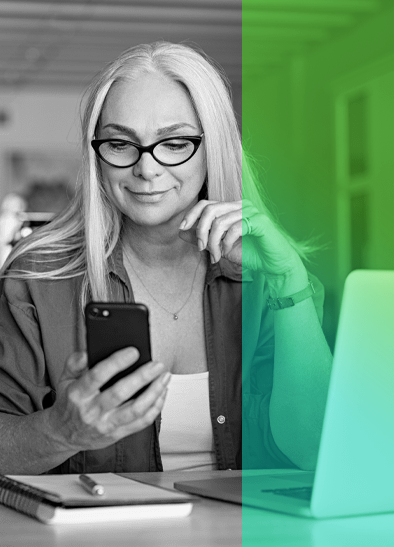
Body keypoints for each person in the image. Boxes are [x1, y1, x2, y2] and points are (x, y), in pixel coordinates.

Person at [0, 42, 332, 475]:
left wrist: (290, 280)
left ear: (214, 148)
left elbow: (313, 450)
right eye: (120, 143)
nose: (147, 169)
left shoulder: (274, 280)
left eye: (174, 143)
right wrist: (61, 431)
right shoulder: (36, 280)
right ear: (96, 155)